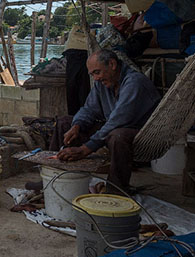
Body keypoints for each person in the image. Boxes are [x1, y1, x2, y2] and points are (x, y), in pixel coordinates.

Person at [55, 49, 161, 193]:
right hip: (113, 127)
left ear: (112, 64)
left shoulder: (135, 82)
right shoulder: (102, 84)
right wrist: (76, 125)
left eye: (97, 72)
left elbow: (119, 120)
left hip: (140, 133)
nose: (96, 78)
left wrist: (85, 149)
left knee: (117, 136)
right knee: (65, 122)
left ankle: (116, 190)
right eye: (92, 74)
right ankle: (55, 177)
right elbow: (89, 109)